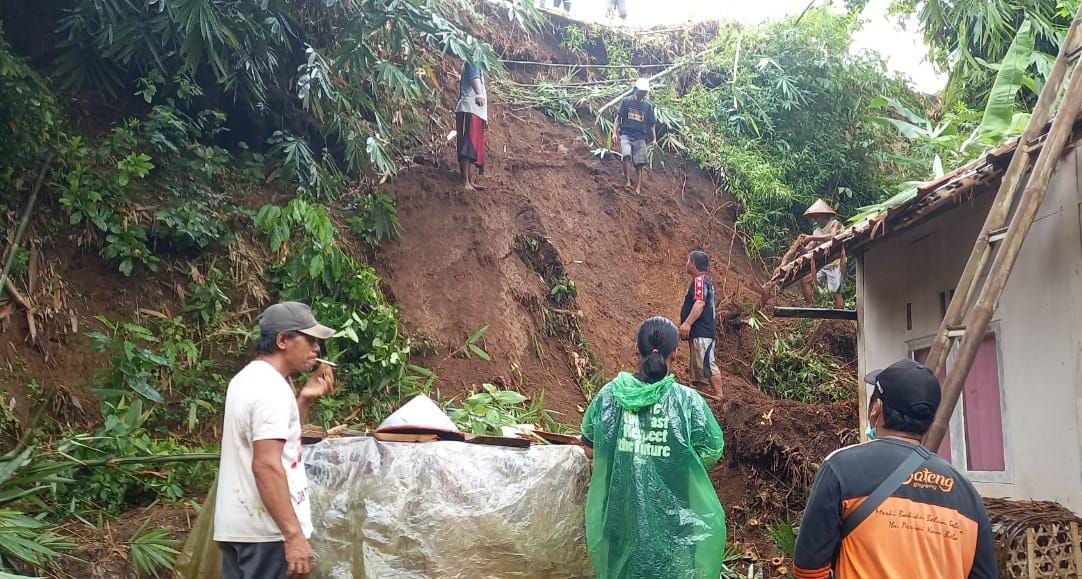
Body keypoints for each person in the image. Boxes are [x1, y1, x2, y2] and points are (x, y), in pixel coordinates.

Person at [793, 359, 997, 579]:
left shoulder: (841, 469)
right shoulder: (966, 493)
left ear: (876, 409)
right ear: (929, 421)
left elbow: (808, 570)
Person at [580, 316, 726, 579]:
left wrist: (630, 450)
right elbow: (712, 451)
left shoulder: (608, 396)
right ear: (675, 354)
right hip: (674, 515)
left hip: (618, 513)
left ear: (637, 349)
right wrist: (670, 457)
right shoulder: (688, 401)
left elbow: (590, 448)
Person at [214, 302, 337, 579]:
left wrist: (304, 399)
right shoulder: (271, 390)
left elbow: (284, 447)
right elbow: (266, 465)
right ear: (283, 340)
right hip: (267, 534)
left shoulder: (247, 380)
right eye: (310, 340)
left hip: (242, 529)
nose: (317, 350)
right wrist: (293, 535)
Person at [679, 250, 723, 399]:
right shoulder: (704, 280)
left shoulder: (700, 281)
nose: (686, 264)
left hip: (701, 331)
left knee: (706, 363)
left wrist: (687, 323)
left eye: (687, 261)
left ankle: (719, 397)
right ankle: (699, 397)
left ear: (693, 263)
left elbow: (699, 303)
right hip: (702, 331)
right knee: (698, 368)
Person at [798, 198, 846, 309]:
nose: (816, 219)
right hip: (822, 265)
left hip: (835, 263)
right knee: (805, 280)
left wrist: (811, 237)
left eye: (817, 216)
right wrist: (800, 248)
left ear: (824, 215)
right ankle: (810, 308)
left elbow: (833, 237)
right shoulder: (816, 231)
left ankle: (840, 319)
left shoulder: (834, 224)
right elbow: (809, 249)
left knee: (836, 293)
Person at [613, 78, 656, 194]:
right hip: (626, 134)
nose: (643, 94)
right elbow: (618, 118)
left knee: (639, 163)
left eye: (645, 92)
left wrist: (654, 139)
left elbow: (652, 124)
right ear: (636, 90)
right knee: (626, 156)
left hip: (640, 137)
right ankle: (627, 182)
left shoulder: (648, 106)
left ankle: (638, 187)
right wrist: (614, 133)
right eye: (642, 91)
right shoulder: (626, 101)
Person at [455, 60, 488, 191]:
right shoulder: (473, 60)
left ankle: (470, 180)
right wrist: (479, 93)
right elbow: (475, 78)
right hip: (469, 109)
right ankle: (465, 181)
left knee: (473, 146)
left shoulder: (477, 62)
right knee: (467, 145)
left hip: (475, 110)